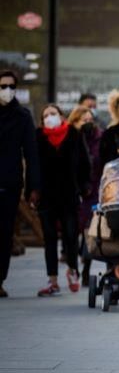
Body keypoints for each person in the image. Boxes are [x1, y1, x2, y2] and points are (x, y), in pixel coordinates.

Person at [35, 104, 91, 296]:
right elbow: (32, 166)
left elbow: (85, 162)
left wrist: (85, 187)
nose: (50, 117)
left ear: (61, 116)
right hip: (46, 195)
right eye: (46, 115)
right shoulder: (38, 137)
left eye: (53, 113)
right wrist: (32, 191)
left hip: (69, 194)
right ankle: (52, 280)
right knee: (49, 238)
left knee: (71, 235)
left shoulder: (74, 135)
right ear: (42, 121)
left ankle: (73, 271)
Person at [0, 70, 40, 298]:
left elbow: (31, 153)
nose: (7, 90)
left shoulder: (22, 116)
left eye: (11, 86)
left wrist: (34, 187)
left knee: (4, 234)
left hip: (9, 182)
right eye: (3, 85)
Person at [68, 105, 103, 285]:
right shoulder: (71, 139)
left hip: (94, 190)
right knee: (74, 232)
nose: (88, 124)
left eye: (91, 120)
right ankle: (73, 266)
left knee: (90, 230)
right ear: (74, 122)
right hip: (75, 191)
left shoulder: (99, 138)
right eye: (84, 121)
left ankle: (86, 268)